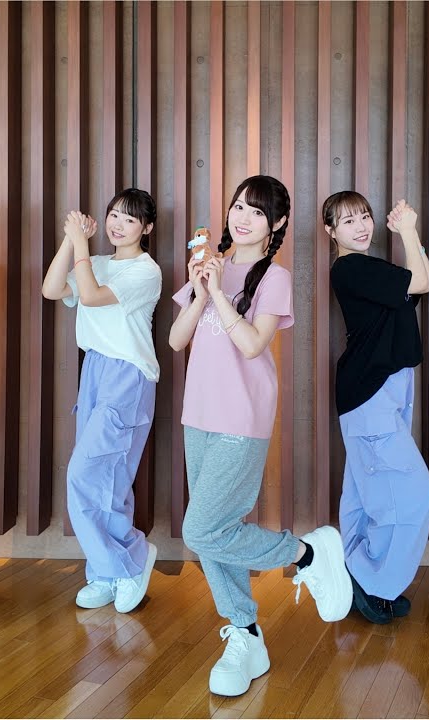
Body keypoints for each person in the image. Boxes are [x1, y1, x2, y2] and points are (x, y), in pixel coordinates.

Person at [167, 175, 352, 697]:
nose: (242, 217)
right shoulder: (209, 266)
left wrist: (218, 295)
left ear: (278, 223)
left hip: (241, 415)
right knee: (217, 529)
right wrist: (201, 288)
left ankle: (306, 554)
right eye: (238, 206)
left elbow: (252, 345)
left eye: (256, 211)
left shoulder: (275, 276)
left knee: (201, 530)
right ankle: (245, 634)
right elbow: (177, 339)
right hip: (197, 414)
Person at [40, 188, 163, 613]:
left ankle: (131, 558)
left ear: (146, 228)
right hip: (94, 370)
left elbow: (91, 297)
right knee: (106, 479)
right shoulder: (96, 261)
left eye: (130, 219)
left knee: (87, 473)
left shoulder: (146, 271)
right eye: (114, 215)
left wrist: (80, 244)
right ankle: (107, 572)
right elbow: (51, 289)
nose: (118, 224)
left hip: (127, 375)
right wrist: (70, 240)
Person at [323, 191, 429, 625]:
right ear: (331, 231)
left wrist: (411, 235)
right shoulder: (351, 268)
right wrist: (407, 230)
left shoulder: (374, 269)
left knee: (365, 491)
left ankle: (357, 571)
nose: (361, 226)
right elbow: (422, 282)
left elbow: (426, 278)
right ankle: (375, 584)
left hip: (386, 387)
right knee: (411, 495)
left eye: (365, 217)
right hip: (370, 392)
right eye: (348, 221)